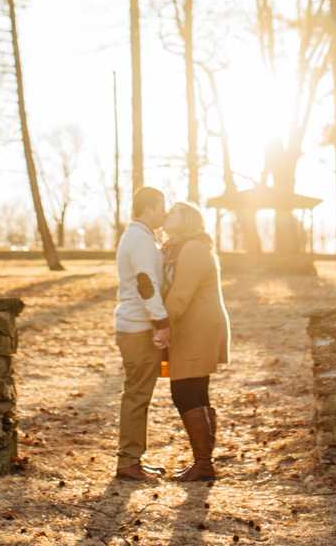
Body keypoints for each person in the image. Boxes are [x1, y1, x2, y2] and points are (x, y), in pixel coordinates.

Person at [161, 200, 231, 482]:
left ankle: (203, 463)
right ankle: (204, 463)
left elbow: (181, 294)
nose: (167, 214)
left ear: (188, 219)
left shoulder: (193, 249)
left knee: (185, 392)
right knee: (196, 391)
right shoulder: (181, 247)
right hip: (192, 326)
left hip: (196, 327)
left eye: (174, 212)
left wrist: (160, 323)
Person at [113, 186, 172, 481]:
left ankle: (133, 458)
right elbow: (146, 283)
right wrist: (161, 322)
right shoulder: (140, 240)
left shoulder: (140, 237)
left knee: (138, 393)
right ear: (148, 208)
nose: (164, 213)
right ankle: (128, 462)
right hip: (137, 328)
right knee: (137, 395)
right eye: (161, 208)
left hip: (134, 325)